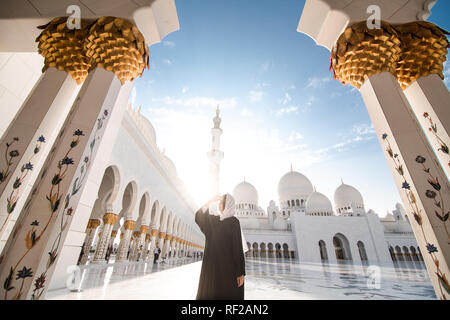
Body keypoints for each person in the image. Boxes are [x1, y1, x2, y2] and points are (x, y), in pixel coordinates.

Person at [195, 193, 246, 300]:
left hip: (229, 270)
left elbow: (238, 247)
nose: (219, 205)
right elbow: (199, 217)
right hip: (212, 268)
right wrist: (209, 201)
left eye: (222, 202)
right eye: (219, 202)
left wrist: (240, 272)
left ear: (228, 204)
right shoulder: (214, 221)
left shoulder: (234, 222)